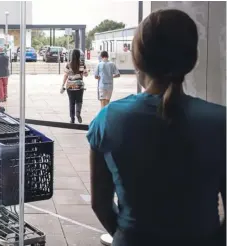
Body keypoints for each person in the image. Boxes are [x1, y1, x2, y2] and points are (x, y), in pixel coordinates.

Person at [87, 9, 226, 246]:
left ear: (138, 60)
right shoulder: (219, 122)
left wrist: (125, 236)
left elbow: (99, 203)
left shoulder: (108, 119)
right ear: (191, 60)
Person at [60, 49, 88, 123]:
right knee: (79, 101)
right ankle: (78, 113)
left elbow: (65, 75)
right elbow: (86, 74)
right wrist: (86, 72)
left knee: (71, 102)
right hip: (79, 86)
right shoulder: (82, 64)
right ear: (79, 55)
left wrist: (62, 85)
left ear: (72, 55)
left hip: (70, 86)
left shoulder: (68, 64)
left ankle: (72, 119)